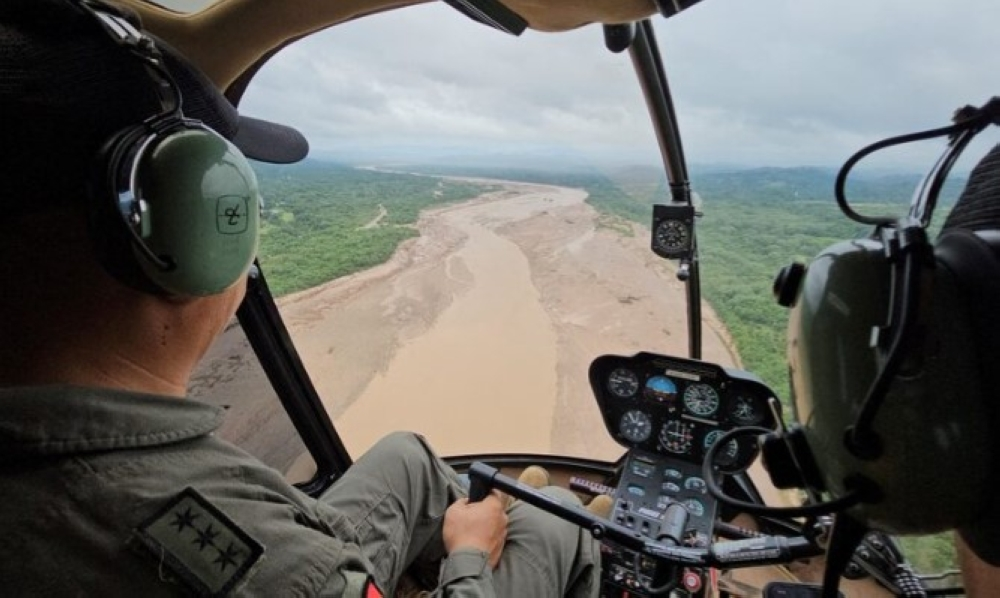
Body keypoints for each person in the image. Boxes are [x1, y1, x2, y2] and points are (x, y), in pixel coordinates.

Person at [0, 1, 603, 596]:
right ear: (187, 233)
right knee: (550, 517)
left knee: (410, 456)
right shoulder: (246, 560)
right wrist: (469, 556)